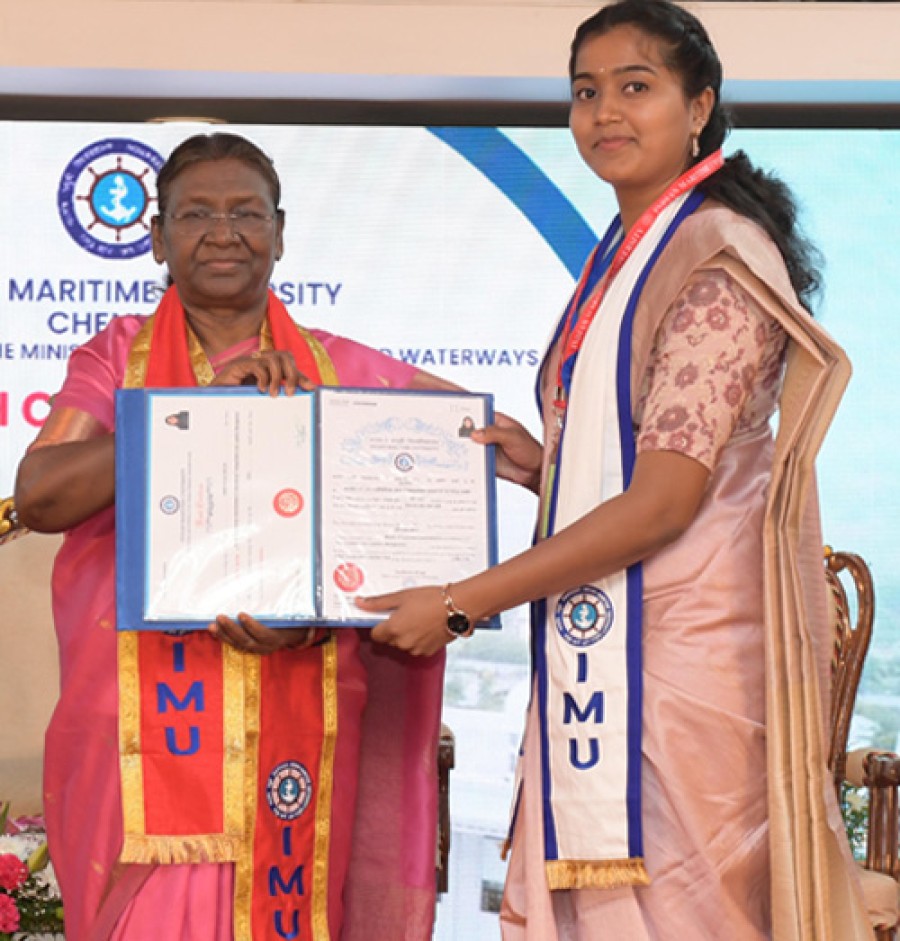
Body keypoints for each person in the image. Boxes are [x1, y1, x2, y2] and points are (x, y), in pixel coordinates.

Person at [357, 2, 874, 939]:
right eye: (586, 92)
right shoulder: (633, 247)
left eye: (636, 87)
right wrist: (544, 468)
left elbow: (665, 502)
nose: (605, 113)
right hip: (623, 629)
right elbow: (656, 456)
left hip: (683, 655)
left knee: (681, 909)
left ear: (699, 105)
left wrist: (462, 602)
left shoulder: (714, 259)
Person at [14, 132, 452, 941]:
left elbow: (453, 453)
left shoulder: (343, 371)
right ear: (157, 238)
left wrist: (314, 622)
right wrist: (198, 411)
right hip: (133, 728)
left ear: (280, 234)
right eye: (197, 214)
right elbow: (40, 495)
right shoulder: (114, 358)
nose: (224, 232)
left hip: (296, 712)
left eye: (247, 213)